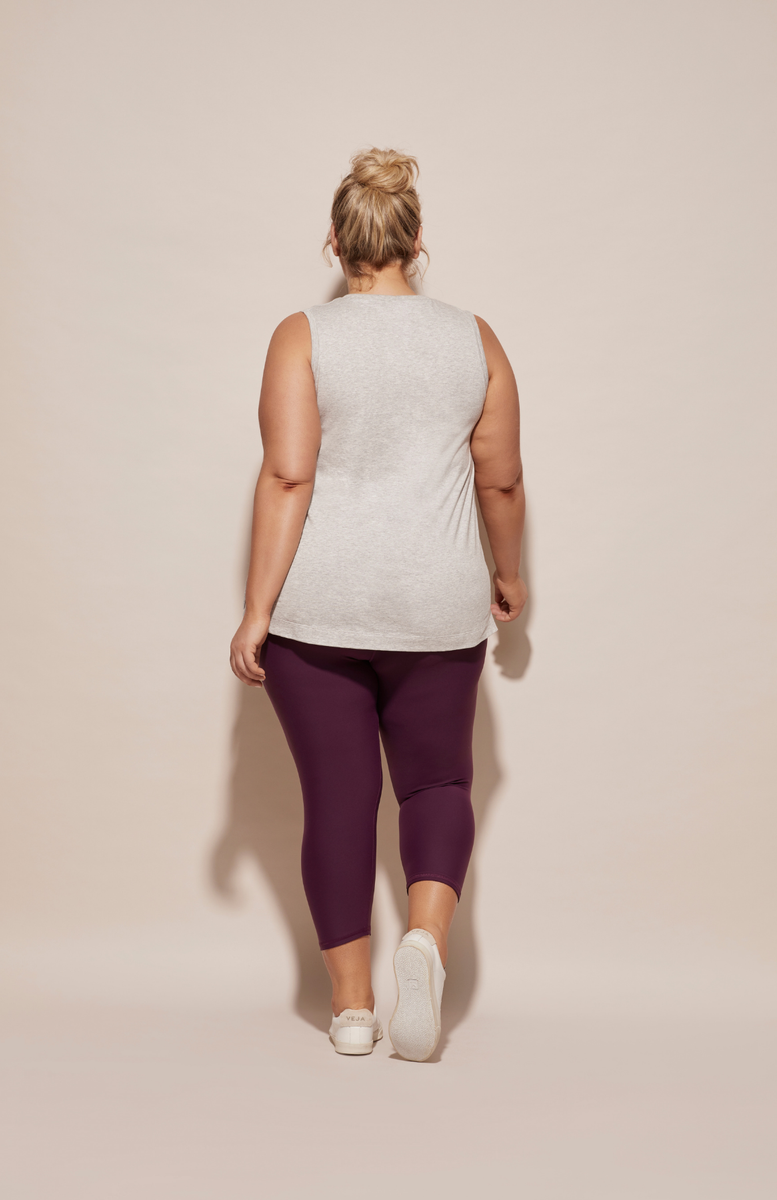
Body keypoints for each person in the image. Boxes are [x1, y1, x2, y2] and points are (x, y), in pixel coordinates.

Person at [230, 147, 526, 1061]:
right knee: (437, 784)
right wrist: (510, 574)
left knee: (338, 801)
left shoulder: (302, 336)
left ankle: (353, 1011)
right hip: (438, 602)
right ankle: (425, 941)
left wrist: (256, 610)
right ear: (416, 238)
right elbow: (501, 481)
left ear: (335, 240)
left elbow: (287, 476)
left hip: (319, 607)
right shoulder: (474, 338)